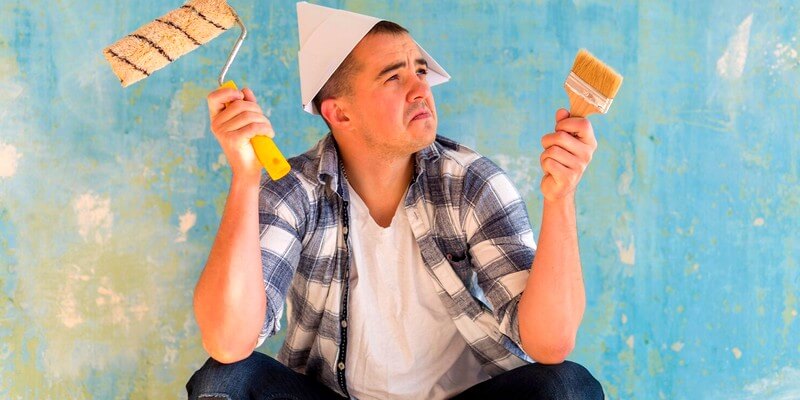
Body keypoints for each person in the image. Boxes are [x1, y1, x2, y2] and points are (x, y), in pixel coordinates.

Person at [187, 2, 603, 399]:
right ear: (340, 114)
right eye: (394, 78)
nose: (422, 89)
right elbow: (228, 341)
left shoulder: (471, 183)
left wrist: (561, 196)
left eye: (420, 71)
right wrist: (245, 177)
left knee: (567, 387)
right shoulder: (295, 192)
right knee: (223, 380)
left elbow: (549, 344)